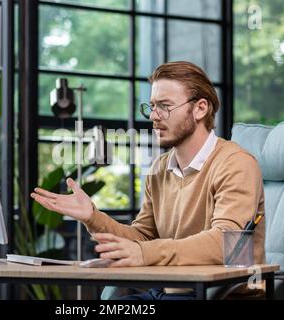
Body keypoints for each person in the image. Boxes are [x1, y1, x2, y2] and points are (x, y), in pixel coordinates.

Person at [31, 61, 265, 300]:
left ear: (200, 108)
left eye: (165, 106)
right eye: (152, 107)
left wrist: (146, 252)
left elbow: (227, 244)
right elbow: (143, 237)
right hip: (166, 293)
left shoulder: (236, 163)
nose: (154, 116)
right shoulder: (160, 168)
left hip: (221, 296)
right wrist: (93, 216)